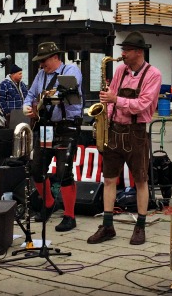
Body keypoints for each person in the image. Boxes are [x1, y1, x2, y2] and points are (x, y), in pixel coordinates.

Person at [87, 31, 162, 246]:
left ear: (139, 52)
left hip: (136, 132)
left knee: (140, 180)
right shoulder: (121, 69)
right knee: (109, 179)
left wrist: (114, 99)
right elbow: (110, 97)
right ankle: (108, 225)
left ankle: (140, 226)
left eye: (126, 50)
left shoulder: (153, 74)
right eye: (123, 50)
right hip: (114, 129)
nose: (122, 54)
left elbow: (143, 104)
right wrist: (104, 117)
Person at [22, 42, 83, 232]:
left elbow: (68, 89)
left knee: (64, 171)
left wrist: (47, 98)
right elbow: (31, 93)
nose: (41, 65)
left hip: (67, 126)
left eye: (44, 60)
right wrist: (27, 106)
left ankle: (69, 216)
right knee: (36, 168)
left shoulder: (70, 69)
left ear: (56, 57)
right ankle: (49, 203)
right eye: (40, 61)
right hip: (46, 126)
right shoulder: (40, 75)